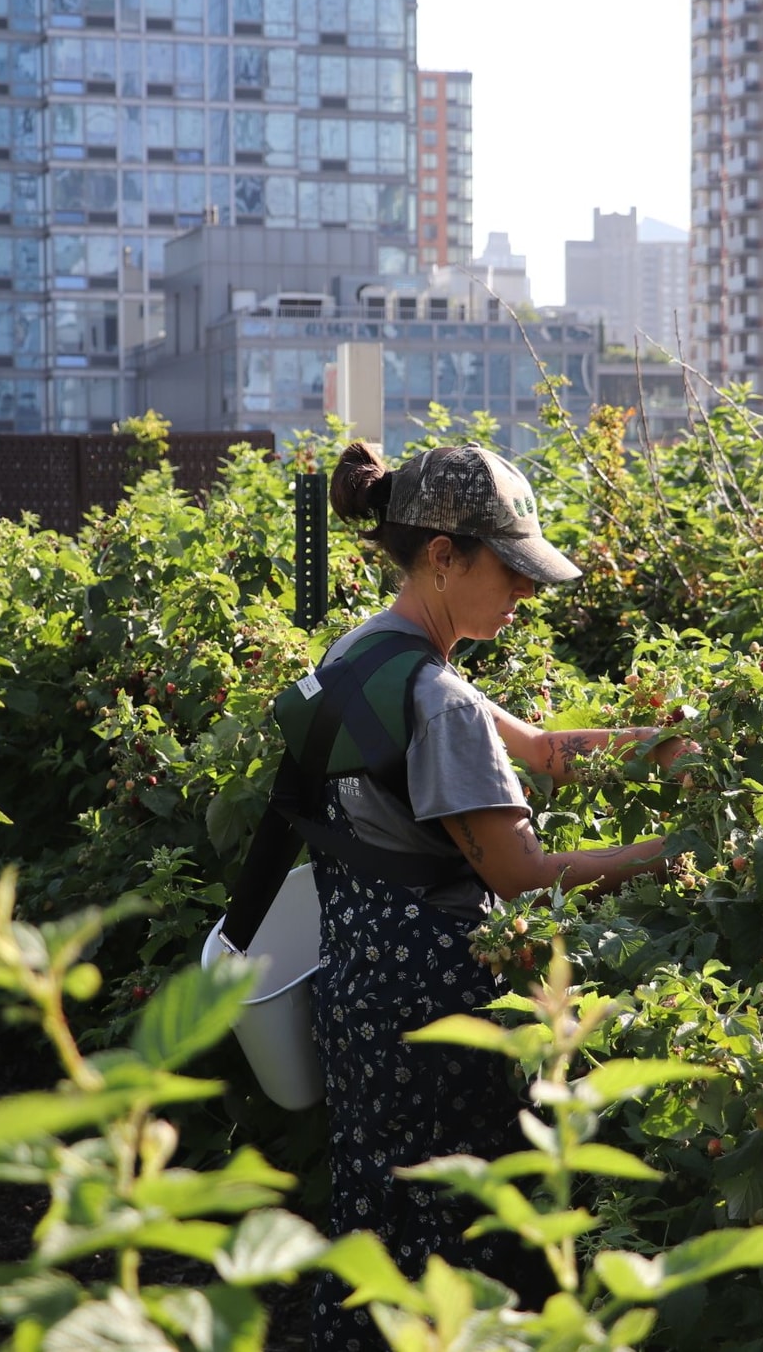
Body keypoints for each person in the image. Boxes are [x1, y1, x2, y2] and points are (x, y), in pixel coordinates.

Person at [307, 441, 681, 1346]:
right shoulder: (444, 703)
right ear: (443, 554)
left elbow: (548, 750)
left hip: (357, 979)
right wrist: (662, 853)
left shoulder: (363, 653)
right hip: (438, 997)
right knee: (460, 1229)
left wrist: (671, 745)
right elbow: (518, 876)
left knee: (376, 1204)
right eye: (509, 571)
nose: (522, 594)